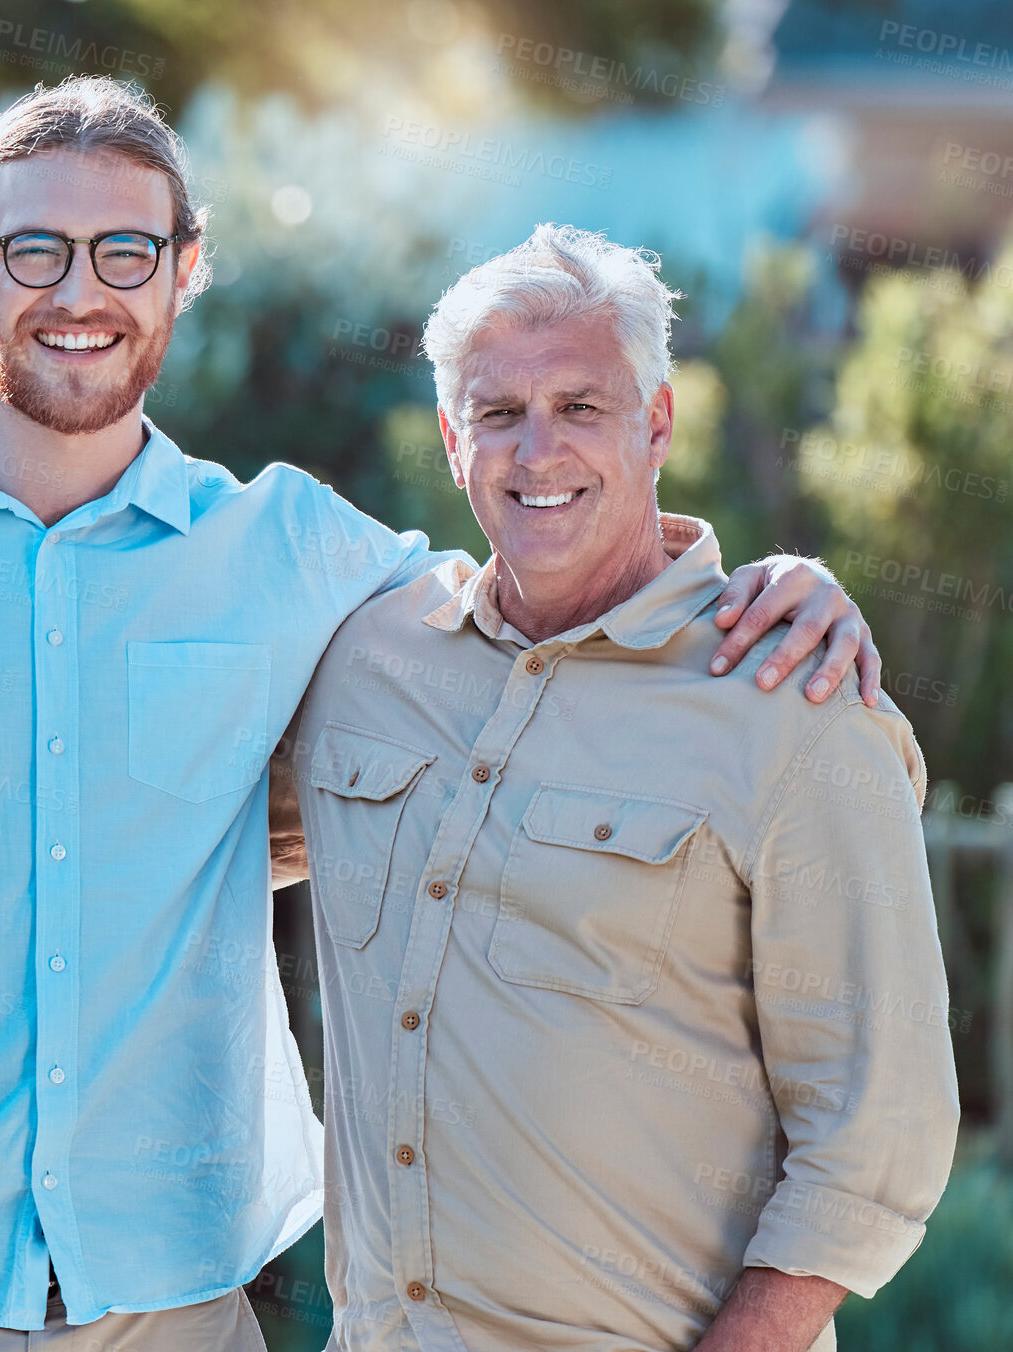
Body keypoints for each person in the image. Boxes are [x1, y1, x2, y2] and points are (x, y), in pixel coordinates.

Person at [0, 77, 878, 1352]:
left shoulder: (302, 553)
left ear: (186, 268)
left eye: (126, 249)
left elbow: (541, 598)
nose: (78, 289)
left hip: (179, 1315)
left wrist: (764, 583)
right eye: (33, 247)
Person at [273, 224, 958, 1352]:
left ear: (658, 422)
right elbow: (178, 832)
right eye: (499, 414)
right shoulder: (363, 661)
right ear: (453, 440)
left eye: (581, 406)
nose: (537, 451)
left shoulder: (793, 704)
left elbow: (878, 1129)